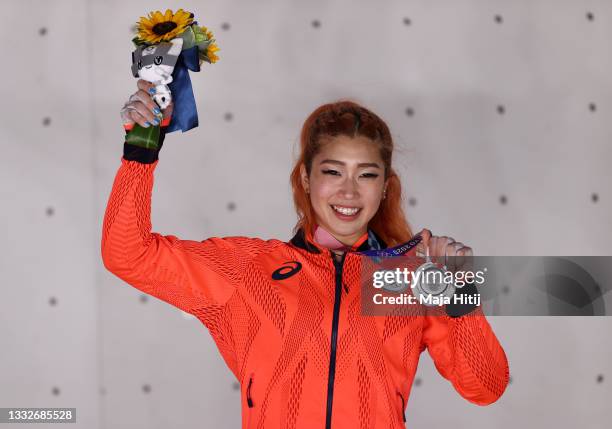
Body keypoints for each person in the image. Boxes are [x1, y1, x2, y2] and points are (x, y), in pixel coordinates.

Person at [102, 79, 510, 429]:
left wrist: (461, 294)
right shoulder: (249, 270)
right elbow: (128, 254)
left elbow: (486, 387)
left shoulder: (411, 280)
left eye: (366, 175)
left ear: (386, 185)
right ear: (306, 177)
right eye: (332, 172)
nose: (349, 192)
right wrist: (142, 148)